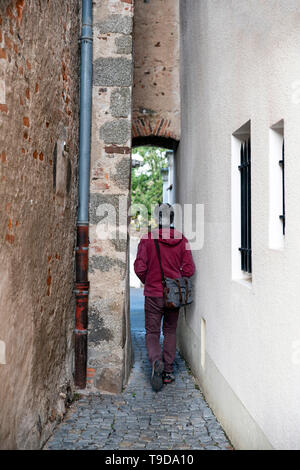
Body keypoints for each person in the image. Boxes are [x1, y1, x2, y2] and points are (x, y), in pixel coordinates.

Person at [134, 203, 195, 392]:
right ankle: (168, 371)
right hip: (173, 295)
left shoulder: (147, 240)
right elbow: (189, 269)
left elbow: (139, 267)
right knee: (169, 330)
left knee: (152, 332)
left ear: (156, 219)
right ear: (172, 219)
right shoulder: (182, 240)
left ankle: (155, 362)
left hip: (153, 293)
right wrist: (176, 279)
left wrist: (150, 280)